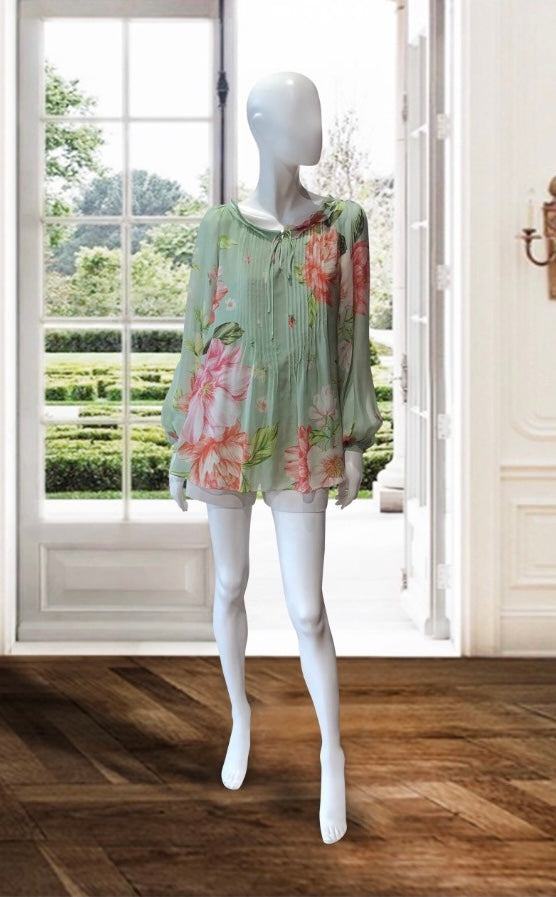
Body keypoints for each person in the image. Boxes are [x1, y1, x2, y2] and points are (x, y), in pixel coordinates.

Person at [161, 71, 383, 845]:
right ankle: (239, 717)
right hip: (222, 428)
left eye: (316, 107)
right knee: (229, 584)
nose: (314, 123)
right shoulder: (218, 228)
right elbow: (198, 334)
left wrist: (353, 437)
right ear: (260, 124)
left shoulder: (344, 225)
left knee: (307, 607)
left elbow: (353, 339)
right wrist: (180, 436)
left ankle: (331, 753)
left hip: (304, 433)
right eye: (299, 110)